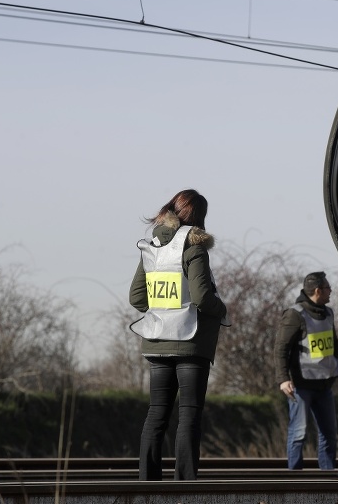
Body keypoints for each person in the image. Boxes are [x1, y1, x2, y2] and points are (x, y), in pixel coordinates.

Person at [128, 189, 229, 481]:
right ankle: (184, 484)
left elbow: (137, 298)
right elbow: (202, 297)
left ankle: (148, 482)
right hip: (191, 343)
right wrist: (221, 309)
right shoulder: (193, 248)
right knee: (189, 414)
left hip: (157, 341)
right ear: (199, 217)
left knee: (156, 414)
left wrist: (162, 308)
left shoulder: (151, 248)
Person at [274, 271, 338, 470]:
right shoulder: (295, 314)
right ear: (317, 290)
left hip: (324, 385)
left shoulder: (328, 312)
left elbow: (334, 345)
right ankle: (294, 481)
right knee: (298, 434)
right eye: (328, 288)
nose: (331, 291)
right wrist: (283, 379)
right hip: (300, 386)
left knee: (329, 434)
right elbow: (281, 348)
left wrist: (334, 368)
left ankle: (327, 479)